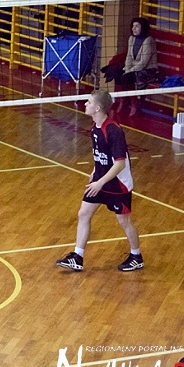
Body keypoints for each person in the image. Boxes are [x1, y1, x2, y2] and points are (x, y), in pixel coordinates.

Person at [56, 89, 144, 272]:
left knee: (124, 220)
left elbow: (120, 163)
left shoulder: (113, 131)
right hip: (100, 180)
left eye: (89, 102)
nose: (85, 104)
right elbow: (101, 155)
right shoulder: (94, 127)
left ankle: (136, 256)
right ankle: (77, 257)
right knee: (83, 213)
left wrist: (100, 182)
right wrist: (95, 171)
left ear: (97, 108)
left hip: (117, 184)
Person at [114, 17, 158, 117]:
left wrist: (129, 71)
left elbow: (143, 63)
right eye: (133, 26)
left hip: (148, 70)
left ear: (143, 28)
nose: (134, 29)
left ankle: (134, 103)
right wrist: (127, 68)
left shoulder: (148, 40)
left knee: (127, 77)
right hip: (134, 68)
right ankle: (123, 100)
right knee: (117, 74)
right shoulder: (131, 39)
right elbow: (129, 56)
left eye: (137, 26)